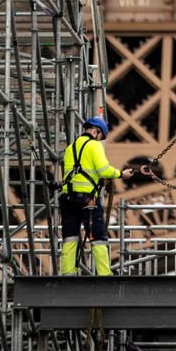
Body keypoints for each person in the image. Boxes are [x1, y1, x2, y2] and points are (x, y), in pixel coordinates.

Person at [57, 116, 147, 275]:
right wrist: (121, 174)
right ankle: (104, 274)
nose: (100, 140)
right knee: (98, 237)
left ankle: (68, 273)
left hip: (68, 198)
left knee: (70, 237)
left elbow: (77, 172)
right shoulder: (94, 146)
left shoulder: (70, 148)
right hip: (88, 200)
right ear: (95, 131)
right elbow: (104, 169)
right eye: (101, 136)